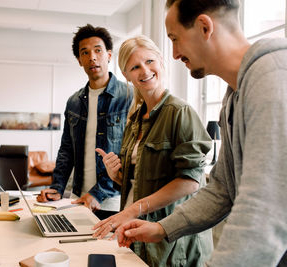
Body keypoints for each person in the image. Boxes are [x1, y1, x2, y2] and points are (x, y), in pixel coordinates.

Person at [115, 1, 287, 266]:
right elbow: (221, 190)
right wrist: (162, 229)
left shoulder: (273, 78)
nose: (173, 54)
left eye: (175, 39)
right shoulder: (234, 96)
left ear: (204, 27)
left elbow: (262, 213)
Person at [92, 35, 213, 266]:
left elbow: (190, 181)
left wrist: (133, 210)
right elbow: (140, 183)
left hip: (171, 244)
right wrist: (115, 175)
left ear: (161, 61)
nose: (144, 71)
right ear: (126, 75)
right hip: (137, 235)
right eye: (135, 67)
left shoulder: (180, 112)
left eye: (149, 61)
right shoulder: (135, 119)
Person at [37, 24, 132, 218]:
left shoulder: (129, 96)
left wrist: (98, 193)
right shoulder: (74, 101)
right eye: (85, 53)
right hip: (79, 198)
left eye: (98, 50)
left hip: (113, 201)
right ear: (79, 60)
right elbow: (66, 150)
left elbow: (127, 154)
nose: (92, 57)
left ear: (109, 55)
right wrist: (56, 187)